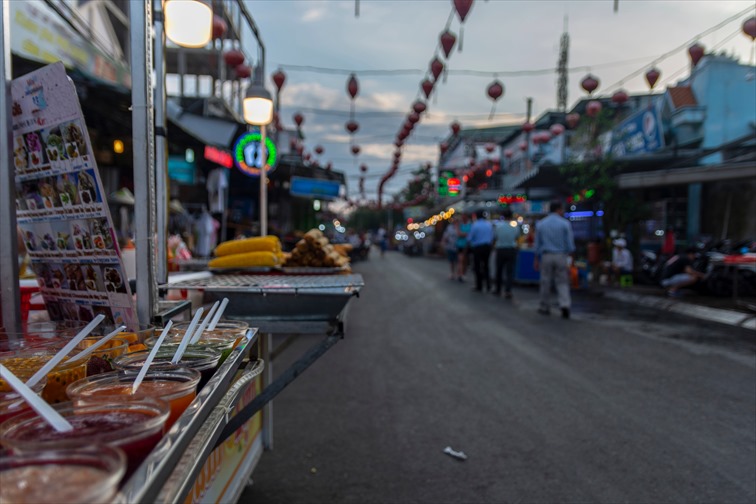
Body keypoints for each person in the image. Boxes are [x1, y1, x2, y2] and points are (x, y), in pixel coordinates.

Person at [533, 201, 575, 319]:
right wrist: (571, 256)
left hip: (546, 256)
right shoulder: (565, 224)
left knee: (545, 281)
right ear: (559, 209)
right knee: (562, 281)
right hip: (561, 256)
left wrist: (536, 258)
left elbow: (537, 244)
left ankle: (544, 306)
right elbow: (570, 244)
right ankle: (565, 305)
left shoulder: (541, 224)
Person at [493, 208, 521, 298]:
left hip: (500, 250)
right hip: (511, 250)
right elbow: (517, 237)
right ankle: (508, 290)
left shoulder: (498, 226)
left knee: (499, 270)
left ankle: (498, 289)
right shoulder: (515, 227)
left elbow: (495, 237)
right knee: (509, 271)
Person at [467, 210, 494, 292]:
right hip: (487, 247)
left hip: (478, 247)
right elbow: (492, 236)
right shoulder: (489, 225)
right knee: (486, 266)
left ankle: (479, 285)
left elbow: (469, 238)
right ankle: (488, 285)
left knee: (477, 266)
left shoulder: (475, 225)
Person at [455, 213, 471, 281]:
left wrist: (464, 234)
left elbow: (470, 234)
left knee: (465, 261)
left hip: (467, 245)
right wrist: (466, 234)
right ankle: (461, 274)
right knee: (461, 260)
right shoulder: (459, 224)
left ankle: (462, 273)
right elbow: (459, 234)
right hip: (460, 245)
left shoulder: (470, 224)